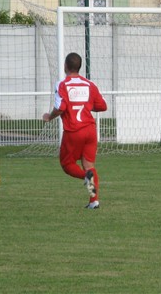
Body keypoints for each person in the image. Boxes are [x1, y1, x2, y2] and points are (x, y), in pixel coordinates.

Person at [43, 52, 107, 208]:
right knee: (89, 165)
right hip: (90, 130)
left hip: (74, 131)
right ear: (79, 67)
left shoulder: (62, 84)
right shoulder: (89, 84)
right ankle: (94, 201)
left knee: (67, 164)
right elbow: (102, 106)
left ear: (65, 66)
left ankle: (86, 177)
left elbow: (60, 107)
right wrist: (86, 104)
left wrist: (49, 117)